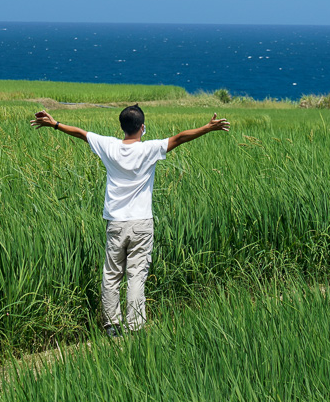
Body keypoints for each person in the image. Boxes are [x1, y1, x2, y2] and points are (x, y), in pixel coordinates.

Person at [30, 104, 230, 336]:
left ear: (122, 127)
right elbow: (180, 138)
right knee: (136, 275)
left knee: (112, 274)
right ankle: (134, 327)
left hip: (115, 223)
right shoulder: (150, 149)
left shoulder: (108, 146)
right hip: (141, 224)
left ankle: (112, 326)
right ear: (142, 128)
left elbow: (80, 133)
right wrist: (207, 128)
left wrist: (54, 124)